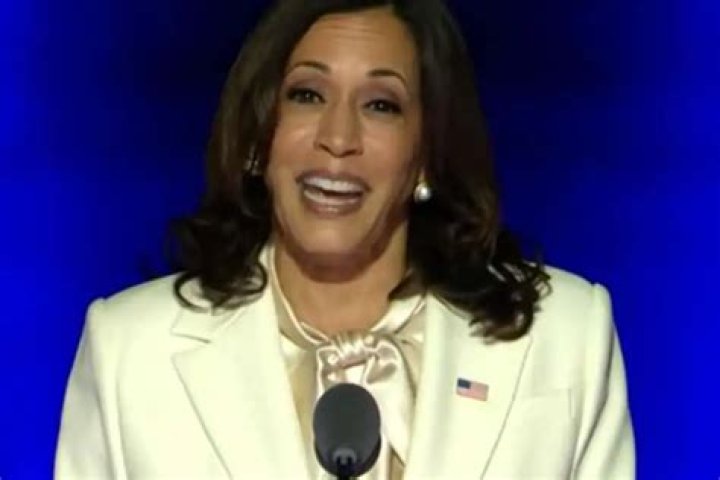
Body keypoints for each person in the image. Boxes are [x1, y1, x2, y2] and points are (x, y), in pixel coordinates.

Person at [55, 0, 635, 478]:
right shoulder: (130, 353)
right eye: (307, 95)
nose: (338, 138)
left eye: (381, 105)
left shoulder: (565, 336)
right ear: (259, 137)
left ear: (426, 154)